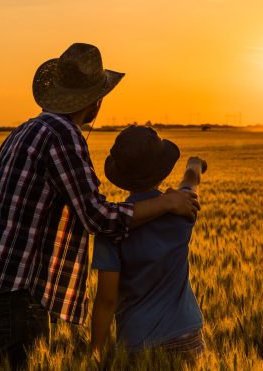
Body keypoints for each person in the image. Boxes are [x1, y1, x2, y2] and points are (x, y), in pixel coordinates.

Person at [0, 43, 200, 369]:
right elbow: (99, 217)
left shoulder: (23, 131)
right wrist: (167, 202)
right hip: (11, 300)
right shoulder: (63, 136)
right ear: (95, 101)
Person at [90, 125, 208, 361]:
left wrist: (94, 353)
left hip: (138, 343)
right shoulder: (181, 207)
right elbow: (191, 179)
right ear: (162, 171)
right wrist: (195, 163)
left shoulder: (111, 228)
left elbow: (106, 300)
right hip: (187, 334)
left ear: (122, 177)